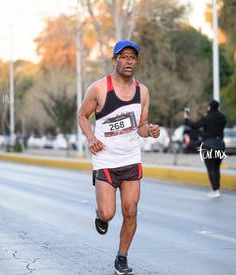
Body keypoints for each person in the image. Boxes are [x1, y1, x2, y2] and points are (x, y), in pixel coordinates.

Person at [77, 40, 160, 275]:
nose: (128, 61)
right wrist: (92, 138)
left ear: (137, 62)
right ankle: (99, 215)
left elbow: (141, 127)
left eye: (132, 57)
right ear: (114, 60)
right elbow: (82, 116)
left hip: (131, 159)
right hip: (105, 159)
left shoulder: (142, 91)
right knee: (108, 213)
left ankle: (121, 257)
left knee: (131, 211)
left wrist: (150, 131)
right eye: (123, 57)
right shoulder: (99, 88)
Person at [184, 99, 227, 198]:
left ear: (210, 107)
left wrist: (187, 119)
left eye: (208, 106)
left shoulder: (207, 118)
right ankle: (217, 189)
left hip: (209, 145)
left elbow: (194, 126)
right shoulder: (222, 118)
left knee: (211, 168)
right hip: (220, 145)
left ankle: (215, 190)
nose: (206, 107)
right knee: (217, 168)